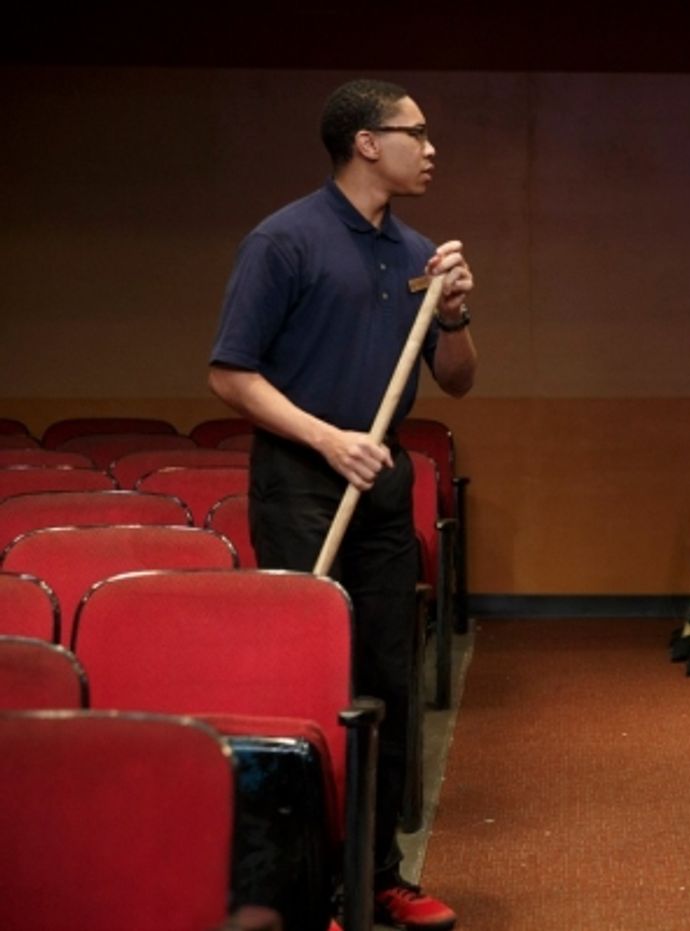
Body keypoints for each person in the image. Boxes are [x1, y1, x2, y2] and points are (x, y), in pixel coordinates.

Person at [208, 78, 476, 931]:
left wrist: (455, 312)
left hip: (382, 486)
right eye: (415, 133)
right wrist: (329, 439)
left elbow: (458, 379)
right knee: (312, 682)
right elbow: (231, 374)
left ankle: (377, 875)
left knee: (385, 681)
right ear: (366, 142)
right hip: (301, 482)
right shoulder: (283, 240)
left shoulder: (417, 252)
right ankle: (306, 885)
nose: (430, 148)